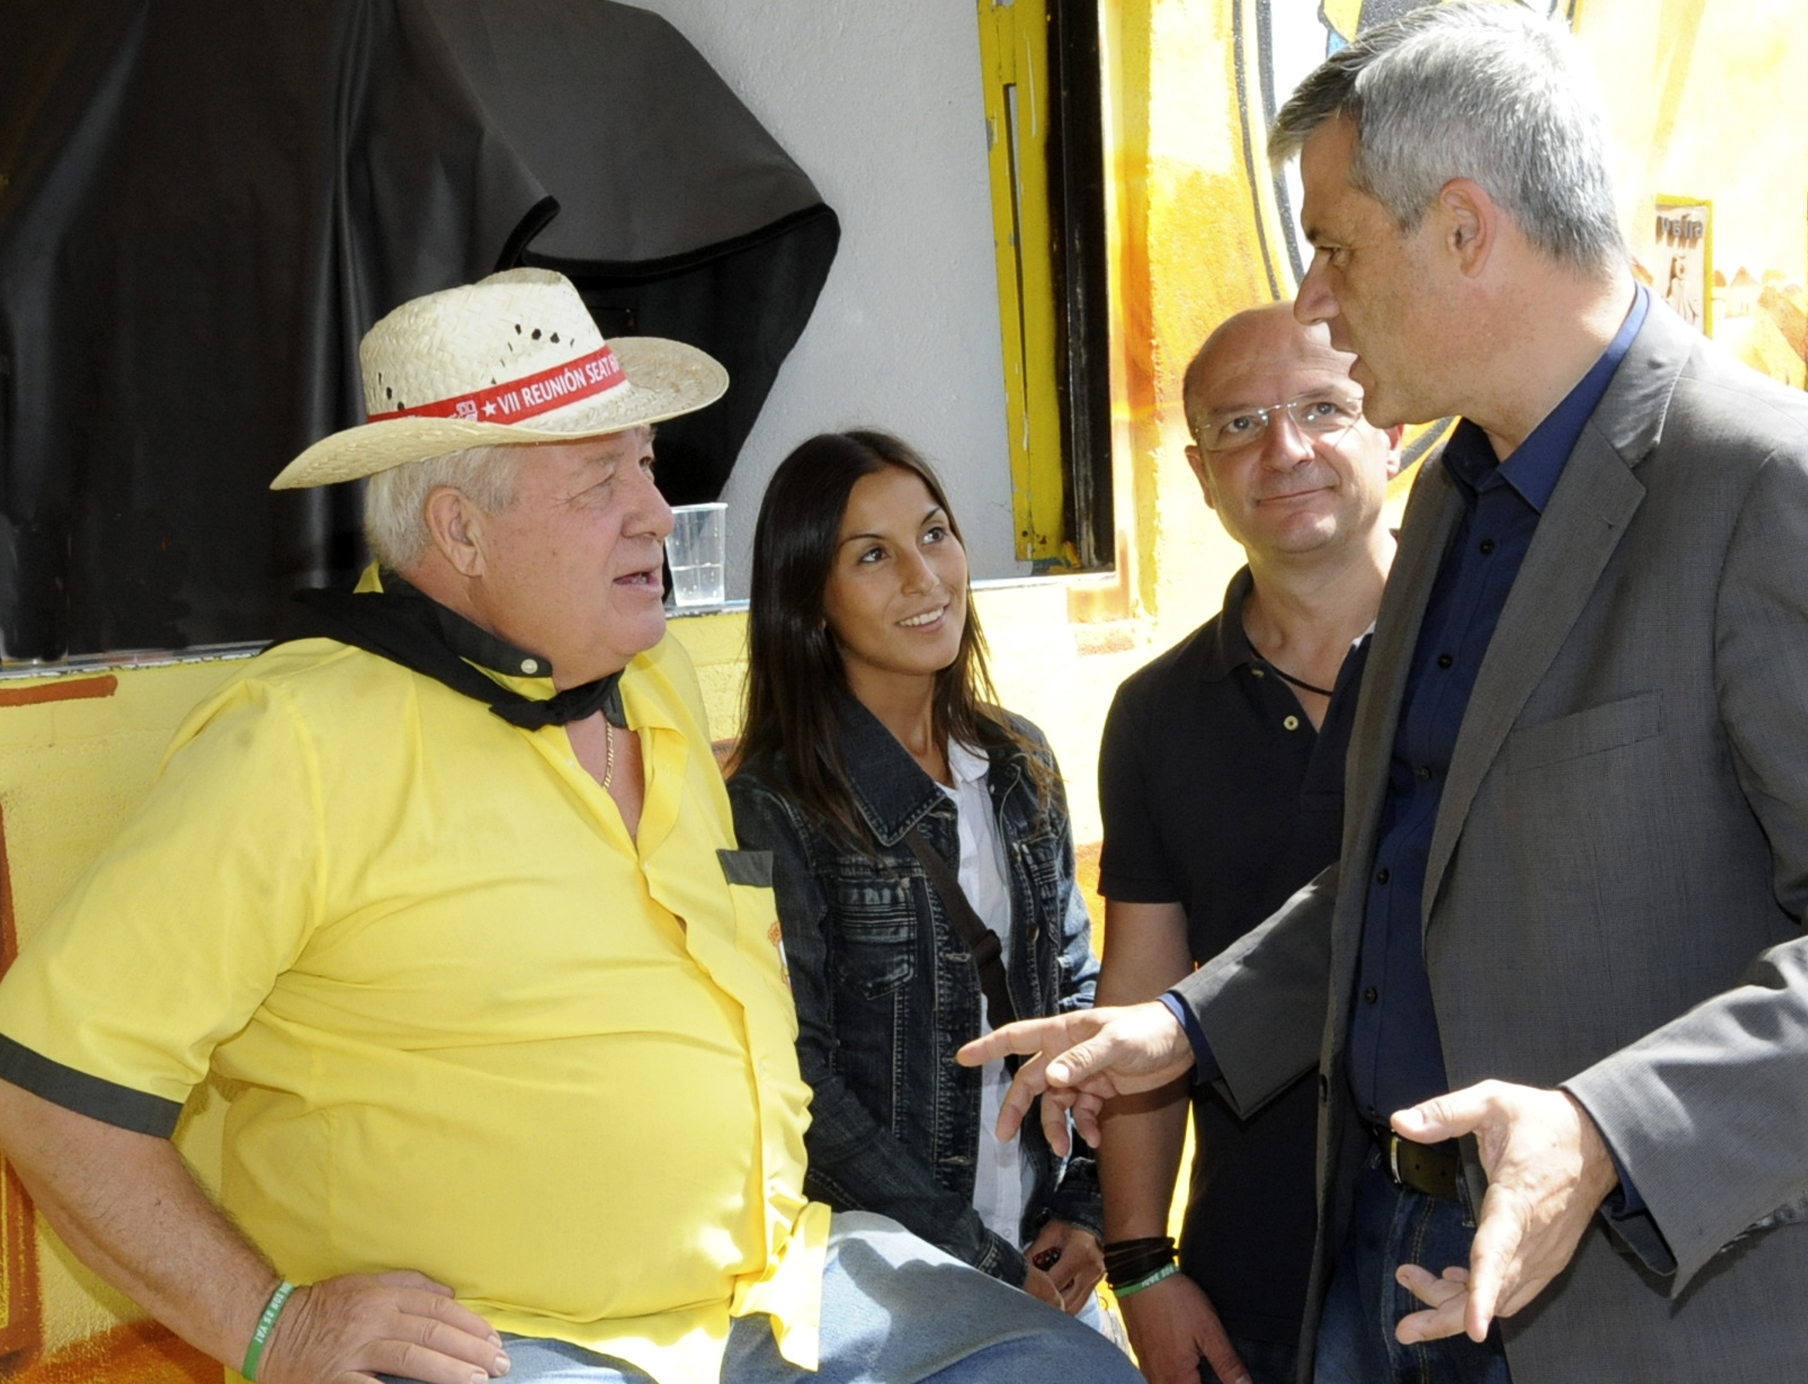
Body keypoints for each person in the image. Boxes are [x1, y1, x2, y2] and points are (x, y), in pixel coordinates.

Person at [960, 7, 1808, 1384]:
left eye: (1337, 249)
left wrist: (1609, 1129)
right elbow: (1405, 873)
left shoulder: (1773, 488)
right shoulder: (1455, 496)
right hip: (1414, 1267)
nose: (1313, 301)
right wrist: (1181, 1027)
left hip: (1695, 1314)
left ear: (1463, 230)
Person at [0, 269, 1141, 1384]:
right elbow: (49, 1091)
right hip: (504, 1343)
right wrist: (275, 1329)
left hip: (786, 1295)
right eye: (601, 482)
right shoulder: (297, 738)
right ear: (459, 530)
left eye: (645, 464)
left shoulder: (661, 689)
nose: (655, 509)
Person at [725, 430, 1113, 1325]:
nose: (923, 576)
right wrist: (979, 1257)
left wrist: (1085, 1212)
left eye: (934, 534)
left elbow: (1081, 997)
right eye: (872, 555)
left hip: (1044, 1256)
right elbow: (796, 1082)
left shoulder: (1020, 763)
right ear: (809, 600)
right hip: (888, 1285)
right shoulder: (770, 808)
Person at [1093, 305, 1399, 1384]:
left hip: (1483, 1263)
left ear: (1391, 429)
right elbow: (1142, 992)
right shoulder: (1154, 712)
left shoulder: (1485, 661)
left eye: (1325, 408)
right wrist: (1139, 1266)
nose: (1285, 449)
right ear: (1197, 471)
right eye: (1240, 425)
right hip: (1255, 1286)